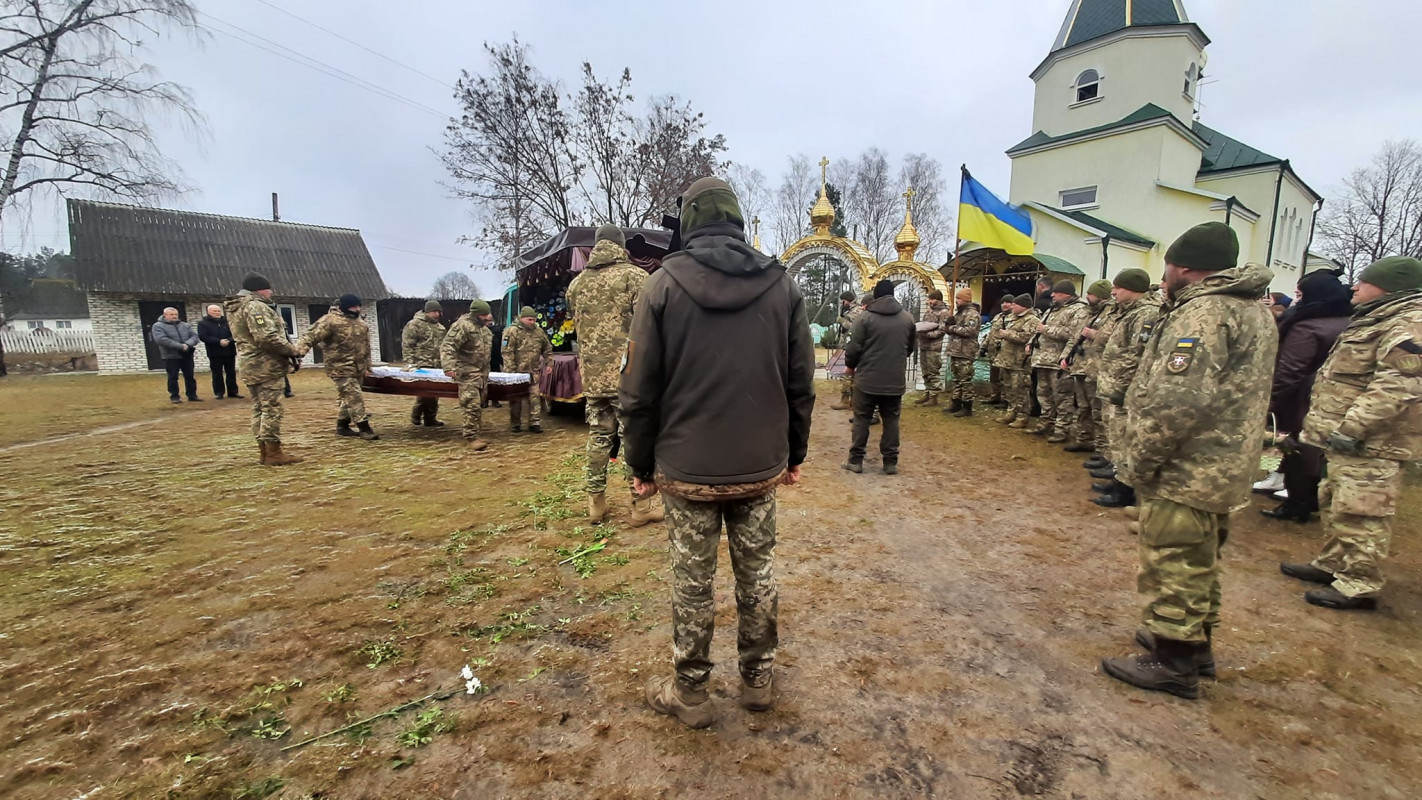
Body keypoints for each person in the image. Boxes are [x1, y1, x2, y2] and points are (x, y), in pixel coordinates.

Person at [620, 176, 814, 728]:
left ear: (689, 221)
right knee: (758, 574)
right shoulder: (783, 287)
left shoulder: (660, 286)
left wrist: (639, 465)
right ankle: (758, 682)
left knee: (691, 579)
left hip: (686, 468)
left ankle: (692, 694)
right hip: (758, 466)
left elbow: (638, 390)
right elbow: (802, 382)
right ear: (736, 219)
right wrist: (793, 453)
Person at [1101, 222, 1276, 699]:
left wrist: (1137, 461)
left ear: (1184, 267)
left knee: (1174, 555)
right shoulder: (1253, 310)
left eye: (1168, 268)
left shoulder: (1203, 315)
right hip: (1223, 462)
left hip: (1188, 464)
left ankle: (1173, 662)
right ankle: (1194, 645)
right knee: (1201, 557)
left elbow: (1178, 401)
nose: (1164, 278)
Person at [1280, 256, 1422, 611]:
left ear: (1389, 286)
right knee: (1335, 502)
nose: (1354, 287)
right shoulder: (1376, 317)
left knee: (1363, 512)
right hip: (1344, 438)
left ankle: (1359, 583)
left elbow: (1397, 385)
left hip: (1371, 442)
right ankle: (1333, 564)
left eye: (1364, 281)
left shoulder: (1409, 323)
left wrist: (1354, 427)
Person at [566, 224, 663, 526]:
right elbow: (650, 325)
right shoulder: (636, 277)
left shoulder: (577, 284)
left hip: (593, 378)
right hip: (628, 377)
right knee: (632, 438)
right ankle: (641, 506)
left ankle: (596, 505)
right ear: (622, 246)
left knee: (598, 437)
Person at [1260, 270, 1353, 522]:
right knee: (1314, 453)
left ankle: (1295, 499)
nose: (1297, 301)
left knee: (1289, 450)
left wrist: (1270, 401)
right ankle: (1289, 487)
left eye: (1301, 295)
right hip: (1333, 400)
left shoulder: (1307, 327)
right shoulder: (1349, 322)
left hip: (1299, 400)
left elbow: (1290, 370)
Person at [1091, 269, 1162, 506]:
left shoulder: (1145, 314)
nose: (1113, 292)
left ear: (1132, 289)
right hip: (1114, 386)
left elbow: (1137, 354)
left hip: (1125, 389)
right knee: (1115, 436)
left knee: (1125, 439)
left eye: (1118, 288)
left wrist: (1120, 384)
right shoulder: (1127, 312)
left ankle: (1126, 490)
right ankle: (1118, 479)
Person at [226, 272, 303, 465]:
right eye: (269, 289)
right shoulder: (255, 307)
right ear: (261, 289)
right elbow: (266, 337)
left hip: (250, 364)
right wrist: (293, 350)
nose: (271, 293)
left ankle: (264, 451)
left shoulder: (238, 307)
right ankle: (273, 453)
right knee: (271, 408)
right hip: (265, 365)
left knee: (259, 408)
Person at [843, 279, 916, 474]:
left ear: (876, 296)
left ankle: (856, 460)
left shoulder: (864, 318)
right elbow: (910, 348)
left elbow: (853, 348)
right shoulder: (907, 319)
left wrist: (850, 366)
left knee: (861, 419)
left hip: (867, 380)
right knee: (891, 420)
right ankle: (890, 462)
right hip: (894, 380)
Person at [297, 294, 378, 441]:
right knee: (355, 397)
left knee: (348, 398)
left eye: (359, 306)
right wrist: (297, 354)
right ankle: (364, 428)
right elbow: (309, 337)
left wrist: (368, 366)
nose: (358, 309)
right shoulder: (329, 321)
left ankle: (342, 426)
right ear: (345, 306)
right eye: (354, 306)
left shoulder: (361, 324)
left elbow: (366, 347)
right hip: (339, 367)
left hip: (358, 368)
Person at [1027, 281, 1086, 441]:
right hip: (1042, 359)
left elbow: (1073, 334)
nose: (1052, 295)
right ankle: (1045, 423)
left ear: (1066, 294)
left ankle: (1061, 430)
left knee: (1062, 397)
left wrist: (1047, 330)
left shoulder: (1078, 310)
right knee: (1043, 394)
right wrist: (1031, 342)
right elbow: (1040, 327)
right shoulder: (1053, 308)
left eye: (1056, 292)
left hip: (1058, 361)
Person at [1060, 280, 1114, 451]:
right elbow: (1074, 337)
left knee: (1098, 410)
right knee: (1083, 406)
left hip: (1097, 368)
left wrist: (1095, 334)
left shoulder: (1112, 313)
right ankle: (1084, 438)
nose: (1087, 297)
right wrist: (1066, 357)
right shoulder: (1085, 313)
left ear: (1100, 296)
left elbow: (1117, 340)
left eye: (1090, 294)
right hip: (1080, 365)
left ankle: (1101, 448)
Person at [440, 300, 494, 451]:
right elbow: (448, 345)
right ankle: (471, 437)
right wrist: (449, 366)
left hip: (481, 374)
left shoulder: (484, 329)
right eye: (483, 314)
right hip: (467, 372)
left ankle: (476, 433)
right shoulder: (462, 326)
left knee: (480, 404)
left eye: (487, 314)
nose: (487, 317)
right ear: (475, 313)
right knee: (471, 404)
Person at [502, 306, 552, 433]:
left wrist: (549, 363)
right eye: (530, 320)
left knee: (535, 398)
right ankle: (515, 423)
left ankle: (534, 423)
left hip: (533, 372)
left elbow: (547, 348)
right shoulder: (512, 331)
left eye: (534, 320)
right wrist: (510, 371)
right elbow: (507, 352)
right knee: (515, 400)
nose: (532, 322)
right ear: (522, 318)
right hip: (516, 373)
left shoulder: (539, 332)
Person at [994, 294, 1038, 428]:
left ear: (1023, 306)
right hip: (1007, 360)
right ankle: (1011, 412)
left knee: (1021, 390)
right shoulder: (1012, 318)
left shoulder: (1032, 320)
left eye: (1015, 304)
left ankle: (1022, 416)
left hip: (1020, 362)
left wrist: (1008, 334)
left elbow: (1029, 337)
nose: (1012, 306)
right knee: (1009, 389)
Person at [402, 300, 447, 426]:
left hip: (436, 365)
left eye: (438, 311)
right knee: (424, 392)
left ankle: (430, 418)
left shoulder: (440, 328)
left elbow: (443, 346)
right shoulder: (414, 324)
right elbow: (407, 345)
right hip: (421, 364)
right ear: (427, 312)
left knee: (435, 393)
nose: (437, 314)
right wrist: (410, 363)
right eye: (434, 311)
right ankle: (416, 414)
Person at [942, 288, 982, 416]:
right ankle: (956, 402)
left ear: (965, 300)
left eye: (958, 299)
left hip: (966, 351)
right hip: (955, 350)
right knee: (957, 379)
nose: (957, 301)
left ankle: (967, 405)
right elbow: (951, 330)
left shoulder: (972, 314)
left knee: (965, 379)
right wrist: (947, 326)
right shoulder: (959, 313)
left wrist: (952, 328)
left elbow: (969, 331)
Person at [151, 307, 201, 404]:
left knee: (190, 376)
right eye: (171, 315)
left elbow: (195, 336)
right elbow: (161, 339)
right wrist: (179, 346)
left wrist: (187, 344)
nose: (174, 316)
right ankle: (174, 396)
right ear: (165, 315)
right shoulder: (158, 326)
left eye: (175, 315)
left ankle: (192, 395)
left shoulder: (185, 325)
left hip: (186, 355)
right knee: (173, 377)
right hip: (171, 356)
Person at [912, 289, 952, 406]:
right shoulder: (928, 311)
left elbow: (942, 330)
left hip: (934, 347)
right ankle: (927, 393)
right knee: (925, 372)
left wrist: (927, 335)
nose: (929, 301)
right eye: (928, 299)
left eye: (931, 299)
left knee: (933, 372)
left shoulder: (944, 313)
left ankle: (934, 396)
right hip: (924, 345)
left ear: (938, 300)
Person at [830, 290, 866, 411]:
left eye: (843, 301)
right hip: (847, 344)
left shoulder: (857, 311)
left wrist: (841, 321)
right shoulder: (850, 310)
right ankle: (850, 400)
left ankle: (847, 400)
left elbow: (854, 328)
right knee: (849, 373)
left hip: (852, 345)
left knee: (848, 372)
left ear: (848, 300)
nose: (842, 303)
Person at [197, 304, 242, 400]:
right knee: (217, 373)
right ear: (209, 312)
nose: (217, 313)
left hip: (229, 351)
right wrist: (219, 341)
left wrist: (229, 340)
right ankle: (219, 392)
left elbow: (236, 334)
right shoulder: (203, 323)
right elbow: (203, 336)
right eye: (215, 311)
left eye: (218, 311)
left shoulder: (228, 322)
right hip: (214, 352)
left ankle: (233, 392)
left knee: (231, 372)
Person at [979, 297, 1013, 407]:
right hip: (993, 351)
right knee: (994, 376)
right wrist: (984, 347)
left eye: (1008, 302)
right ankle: (995, 396)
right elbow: (990, 333)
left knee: (1003, 376)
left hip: (1005, 352)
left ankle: (1005, 399)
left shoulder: (1014, 318)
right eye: (1003, 302)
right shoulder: (998, 316)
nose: (1004, 304)